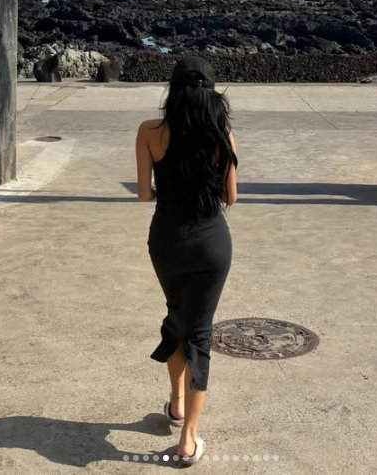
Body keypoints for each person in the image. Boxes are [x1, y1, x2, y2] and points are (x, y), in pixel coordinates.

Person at [135, 56, 238, 466]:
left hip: (167, 241)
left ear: (173, 90)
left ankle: (177, 405)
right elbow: (231, 197)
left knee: (177, 317)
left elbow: (144, 194)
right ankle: (188, 439)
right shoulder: (220, 135)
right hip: (212, 244)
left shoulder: (150, 131)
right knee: (200, 333)